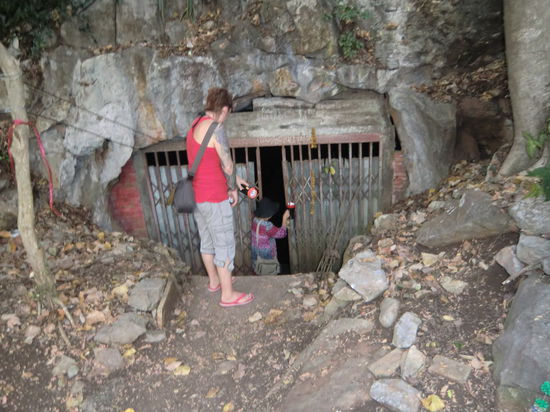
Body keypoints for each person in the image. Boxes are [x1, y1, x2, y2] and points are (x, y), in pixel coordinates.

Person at [187, 87, 254, 307]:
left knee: (207, 242)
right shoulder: (216, 128)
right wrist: (233, 189)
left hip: (198, 197)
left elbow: (209, 162)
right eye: (228, 113)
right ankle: (228, 295)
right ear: (224, 109)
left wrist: (236, 181)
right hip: (215, 198)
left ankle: (214, 282)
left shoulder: (195, 126)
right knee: (224, 244)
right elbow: (227, 163)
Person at [251, 197, 290, 275]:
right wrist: (284, 218)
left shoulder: (255, 221)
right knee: (269, 274)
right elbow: (282, 234)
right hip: (267, 258)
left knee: (259, 272)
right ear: (269, 215)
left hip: (256, 255)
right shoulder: (267, 226)